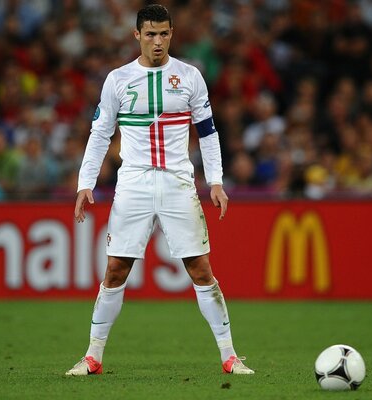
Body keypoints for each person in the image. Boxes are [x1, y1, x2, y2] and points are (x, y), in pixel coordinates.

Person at [65, 4, 253, 376]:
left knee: (200, 268)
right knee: (116, 270)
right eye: (150, 34)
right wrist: (85, 183)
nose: (157, 41)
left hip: (177, 182)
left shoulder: (190, 77)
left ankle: (230, 356)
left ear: (172, 34)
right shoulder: (118, 79)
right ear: (137, 35)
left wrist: (215, 180)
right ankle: (93, 356)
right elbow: (100, 132)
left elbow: (209, 133)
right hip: (133, 181)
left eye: (164, 34)